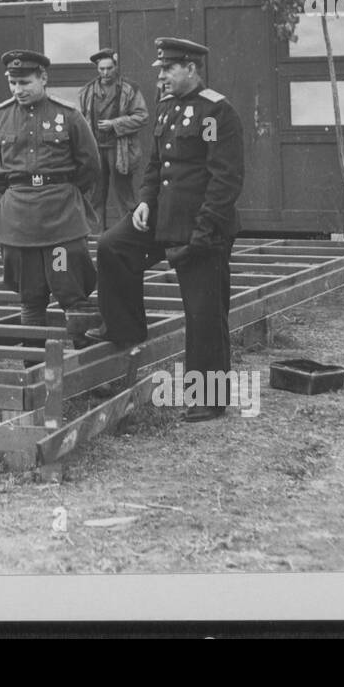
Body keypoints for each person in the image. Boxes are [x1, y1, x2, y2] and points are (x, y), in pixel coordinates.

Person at [89, 38, 244, 422]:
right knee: (112, 245)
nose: (160, 76)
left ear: (191, 69)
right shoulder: (166, 108)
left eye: (168, 69)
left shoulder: (214, 113)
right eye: (160, 69)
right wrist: (143, 201)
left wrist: (204, 233)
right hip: (161, 215)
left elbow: (224, 181)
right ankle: (125, 328)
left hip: (200, 224)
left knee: (204, 313)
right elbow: (156, 166)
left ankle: (207, 397)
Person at [0, 50, 101, 337]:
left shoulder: (68, 114)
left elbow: (90, 164)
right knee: (30, 296)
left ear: (43, 78)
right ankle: (33, 366)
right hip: (19, 221)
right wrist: (18, 191)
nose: (18, 90)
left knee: (72, 291)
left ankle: (87, 367)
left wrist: (64, 192)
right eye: (13, 83)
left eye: (25, 82)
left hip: (61, 219)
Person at [78, 48, 149, 231]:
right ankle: (95, 236)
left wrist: (115, 124)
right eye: (101, 69)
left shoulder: (129, 89)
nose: (105, 73)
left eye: (109, 68)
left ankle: (129, 233)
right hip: (95, 150)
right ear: (97, 69)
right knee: (95, 195)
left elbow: (142, 116)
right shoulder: (87, 91)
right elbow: (80, 121)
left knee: (125, 195)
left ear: (116, 67)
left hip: (121, 151)